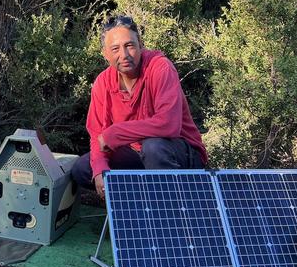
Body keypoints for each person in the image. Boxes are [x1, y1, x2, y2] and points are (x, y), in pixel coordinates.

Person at [70, 15, 208, 199]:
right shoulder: (102, 83)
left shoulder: (160, 68)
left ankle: (174, 213)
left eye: (130, 46)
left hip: (178, 154)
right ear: (105, 54)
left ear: (140, 45)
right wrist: (100, 171)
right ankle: (135, 212)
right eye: (115, 49)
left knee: (153, 147)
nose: (124, 55)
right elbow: (97, 136)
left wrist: (115, 133)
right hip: (136, 154)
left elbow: (168, 125)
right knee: (83, 169)